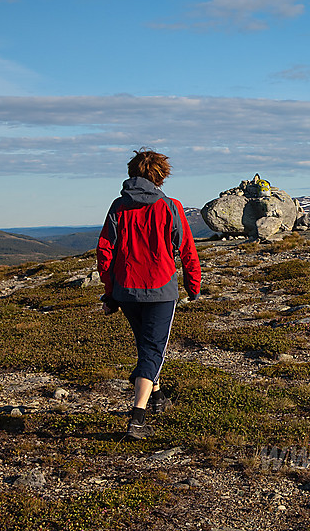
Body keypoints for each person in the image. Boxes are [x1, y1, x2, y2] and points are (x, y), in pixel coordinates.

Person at [96, 148, 201, 440]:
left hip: (126, 291)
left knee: (146, 347)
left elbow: (105, 251)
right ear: (160, 175)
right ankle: (138, 419)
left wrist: (110, 293)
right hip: (160, 291)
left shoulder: (118, 206)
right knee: (154, 351)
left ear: (132, 172)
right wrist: (193, 286)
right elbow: (187, 250)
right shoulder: (171, 207)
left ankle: (158, 397)